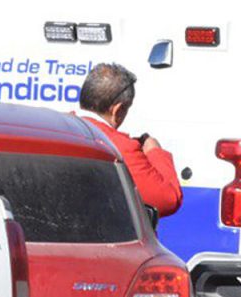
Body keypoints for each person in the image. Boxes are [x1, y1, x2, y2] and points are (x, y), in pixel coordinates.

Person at [74, 62, 182, 216]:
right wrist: (154, 151)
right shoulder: (118, 146)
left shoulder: (54, 127)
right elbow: (168, 200)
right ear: (117, 110)